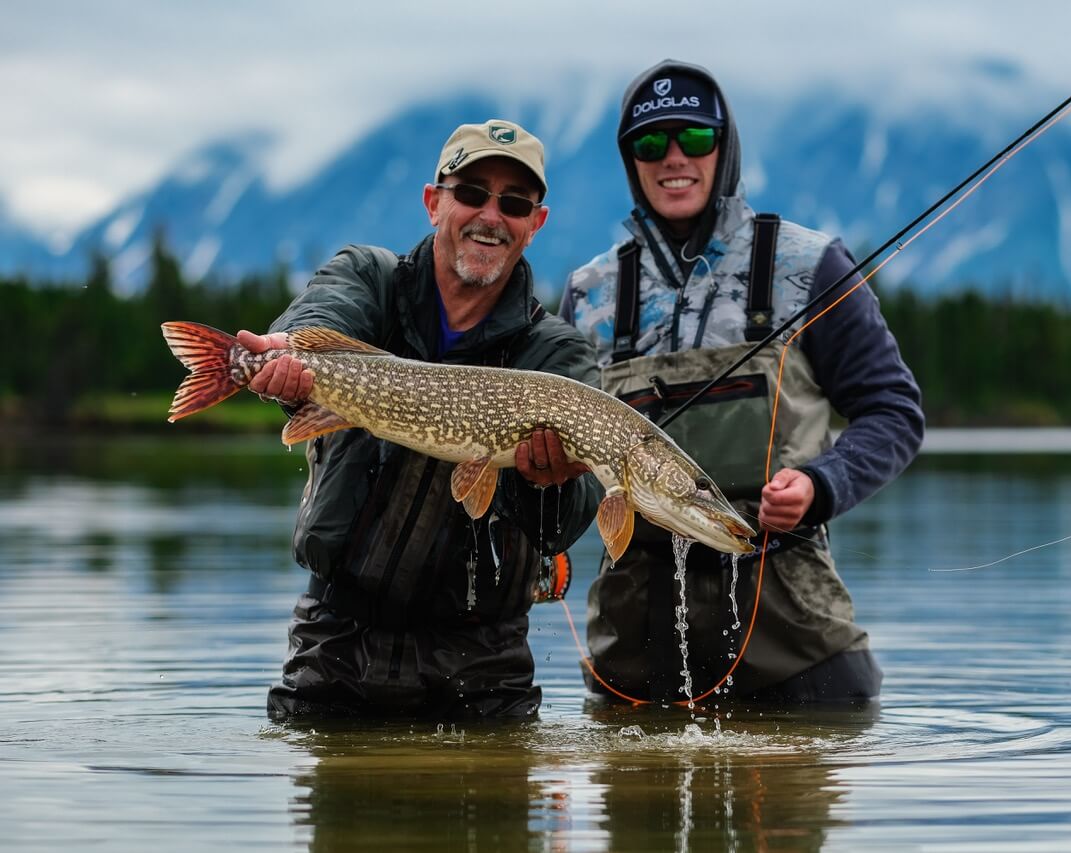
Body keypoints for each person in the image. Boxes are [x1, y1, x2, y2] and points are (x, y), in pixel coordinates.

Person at [560, 61, 924, 705]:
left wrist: (822, 484)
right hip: (634, 645)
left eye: (694, 139)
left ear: (724, 150)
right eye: (650, 144)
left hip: (793, 631)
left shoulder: (811, 265)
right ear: (630, 161)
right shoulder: (588, 293)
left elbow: (893, 410)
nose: (674, 158)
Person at [240, 119, 601, 719]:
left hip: (483, 663)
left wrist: (550, 482)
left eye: (514, 203)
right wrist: (285, 359)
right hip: (336, 643)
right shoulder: (368, 279)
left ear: (534, 225)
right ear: (435, 203)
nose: (491, 215)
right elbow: (321, 317)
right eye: (471, 193)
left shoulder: (556, 355)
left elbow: (565, 522)